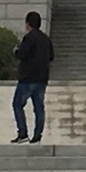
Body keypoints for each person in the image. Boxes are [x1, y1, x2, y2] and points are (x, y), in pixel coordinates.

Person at [11, 10, 54, 144]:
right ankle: (37, 135)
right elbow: (51, 57)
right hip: (42, 79)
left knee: (17, 104)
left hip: (27, 78)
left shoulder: (29, 38)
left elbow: (22, 54)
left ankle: (23, 133)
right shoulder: (46, 39)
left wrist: (16, 51)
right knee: (39, 108)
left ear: (28, 24)